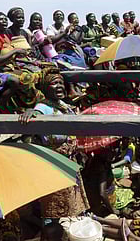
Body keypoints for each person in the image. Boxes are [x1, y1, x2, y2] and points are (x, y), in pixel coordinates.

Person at [19, 69, 90, 218]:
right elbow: (35, 116)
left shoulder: (63, 106)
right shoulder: (42, 108)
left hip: (68, 160)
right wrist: (30, 112)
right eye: (54, 83)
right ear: (45, 89)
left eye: (61, 83)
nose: (59, 86)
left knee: (71, 199)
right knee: (56, 202)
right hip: (54, 162)